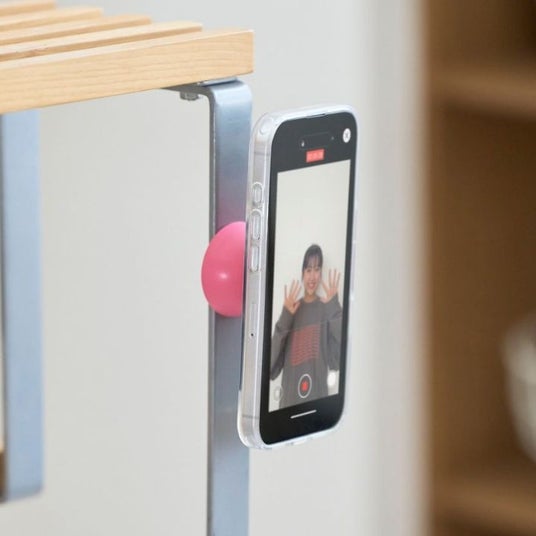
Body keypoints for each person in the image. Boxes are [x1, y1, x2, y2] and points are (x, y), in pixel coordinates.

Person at [271, 244, 342, 409]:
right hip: (289, 410)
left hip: (317, 410)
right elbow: (270, 367)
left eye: (317, 269)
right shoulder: (292, 311)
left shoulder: (326, 310)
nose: (312, 277)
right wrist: (285, 317)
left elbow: (338, 360)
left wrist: (334, 310)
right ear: (302, 273)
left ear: (321, 273)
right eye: (308, 270)